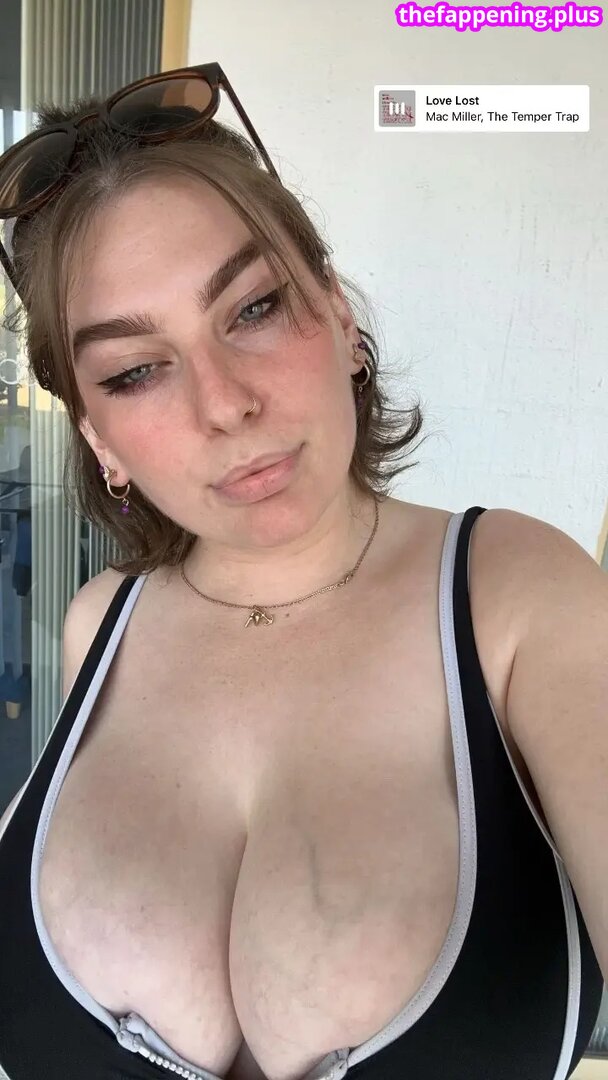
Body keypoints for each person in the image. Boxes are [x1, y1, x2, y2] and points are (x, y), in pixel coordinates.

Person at [0, 63, 606, 1080]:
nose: (224, 403)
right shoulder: (99, 627)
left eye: (253, 309)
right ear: (99, 438)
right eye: (135, 370)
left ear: (335, 310)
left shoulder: (516, 597)